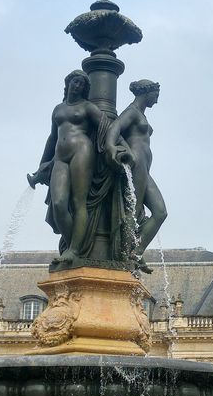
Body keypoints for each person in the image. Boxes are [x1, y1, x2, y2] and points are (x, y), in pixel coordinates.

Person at [30, 70, 104, 266]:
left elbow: (106, 126)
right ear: (68, 84)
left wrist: (115, 146)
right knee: (59, 203)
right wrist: (42, 165)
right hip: (59, 157)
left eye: (81, 83)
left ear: (85, 88)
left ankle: (74, 250)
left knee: (79, 201)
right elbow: (52, 138)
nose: (77, 85)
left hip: (81, 150)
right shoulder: (58, 109)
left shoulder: (88, 107)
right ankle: (74, 244)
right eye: (74, 81)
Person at [104, 79, 167, 267]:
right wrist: (112, 147)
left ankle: (136, 251)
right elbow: (113, 128)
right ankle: (125, 255)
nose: (156, 100)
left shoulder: (140, 114)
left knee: (160, 212)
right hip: (137, 164)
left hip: (145, 168)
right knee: (133, 209)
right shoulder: (131, 112)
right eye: (155, 95)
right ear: (146, 93)